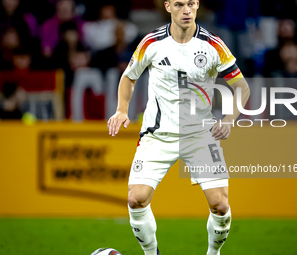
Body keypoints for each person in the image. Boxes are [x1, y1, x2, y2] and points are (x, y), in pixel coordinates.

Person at [107, 0, 250, 254]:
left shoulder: (213, 45)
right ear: (167, 6)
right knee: (135, 199)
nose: (187, 10)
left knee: (220, 206)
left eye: (191, 4)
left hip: (200, 136)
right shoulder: (151, 42)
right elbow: (129, 76)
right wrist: (121, 109)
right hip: (157, 135)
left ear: (197, 6)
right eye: (180, 4)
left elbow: (241, 87)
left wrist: (229, 119)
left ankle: (213, 253)